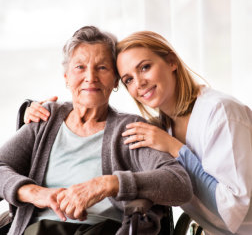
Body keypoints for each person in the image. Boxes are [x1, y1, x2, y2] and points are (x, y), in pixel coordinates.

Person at [28, 29, 252, 234]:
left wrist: (175, 149)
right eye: (129, 79)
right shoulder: (159, 127)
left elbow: (233, 209)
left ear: (171, 61)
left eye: (145, 67)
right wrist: (30, 114)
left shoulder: (220, 113)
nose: (139, 83)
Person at [0, 26, 193, 235]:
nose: (90, 77)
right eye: (80, 67)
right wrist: (34, 193)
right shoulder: (45, 118)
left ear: (116, 80)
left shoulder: (129, 129)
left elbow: (179, 183)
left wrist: (108, 184)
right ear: (66, 77)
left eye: (102, 68)